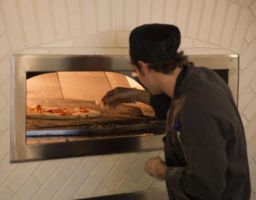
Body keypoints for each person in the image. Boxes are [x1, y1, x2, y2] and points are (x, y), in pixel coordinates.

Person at [101, 23, 251, 199]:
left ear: (144, 66)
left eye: (136, 70)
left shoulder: (197, 108)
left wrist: (161, 171)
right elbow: (174, 100)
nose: (138, 75)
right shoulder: (201, 77)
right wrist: (135, 94)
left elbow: (205, 187)